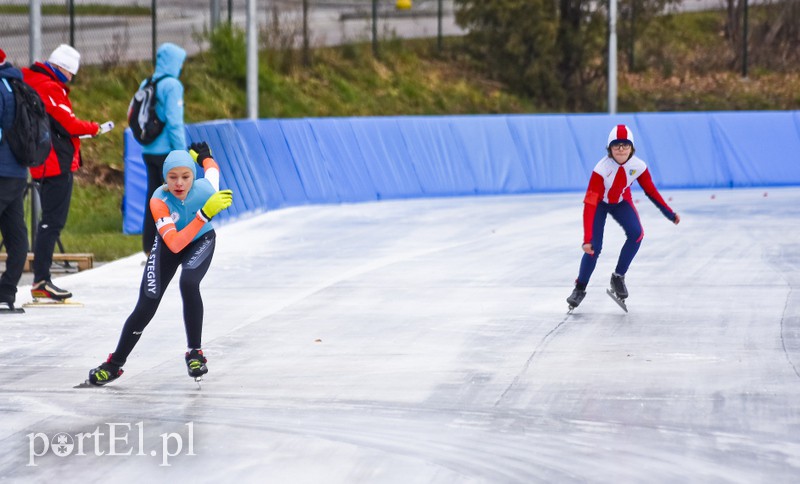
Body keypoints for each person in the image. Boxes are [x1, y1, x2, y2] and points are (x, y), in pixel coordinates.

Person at [87, 142, 233, 386]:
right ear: (164, 178)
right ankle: (114, 364)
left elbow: (212, 169)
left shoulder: (206, 188)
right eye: (172, 177)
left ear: (193, 178)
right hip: (170, 243)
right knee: (146, 305)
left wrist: (204, 156)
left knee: (189, 282)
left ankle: (195, 353)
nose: (179, 183)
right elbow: (175, 244)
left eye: (186, 177)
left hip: (200, 240)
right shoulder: (159, 199)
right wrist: (203, 215)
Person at [567, 124, 680, 309]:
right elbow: (590, 203)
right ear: (609, 149)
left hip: (620, 202)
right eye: (616, 145)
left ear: (632, 148)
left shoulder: (638, 166)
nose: (621, 149)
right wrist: (587, 238)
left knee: (637, 234)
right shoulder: (601, 169)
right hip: (600, 205)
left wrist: (669, 213)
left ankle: (618, 277)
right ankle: (579, 288)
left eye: (625, 145)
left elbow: (651, 191)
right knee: (593, 248)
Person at [22, 44, 100, 301]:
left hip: (46, 161)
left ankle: (41, 279)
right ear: (64, 69)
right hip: (53, 163)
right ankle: (41, 281)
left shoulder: (34, 80)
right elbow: (68, 123)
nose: (71, 79)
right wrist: (95, 128)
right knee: (51, 223)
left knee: (49, 222)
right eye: (71, 74)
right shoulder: (48, 87)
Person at [138, 42, 187, 257]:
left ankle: (150, 247)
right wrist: (181, 154)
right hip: (167, 151)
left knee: (154, 197)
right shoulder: (172, 85)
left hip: (149, 149)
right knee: (174, 200)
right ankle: (171, 244)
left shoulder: (147, 82)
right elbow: (174, 122)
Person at [0, 49, 31, 311]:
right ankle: (6, 292)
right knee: (16, 234)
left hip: (1, 171)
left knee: (16, 233)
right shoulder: (16, 83)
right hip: (18, 171)